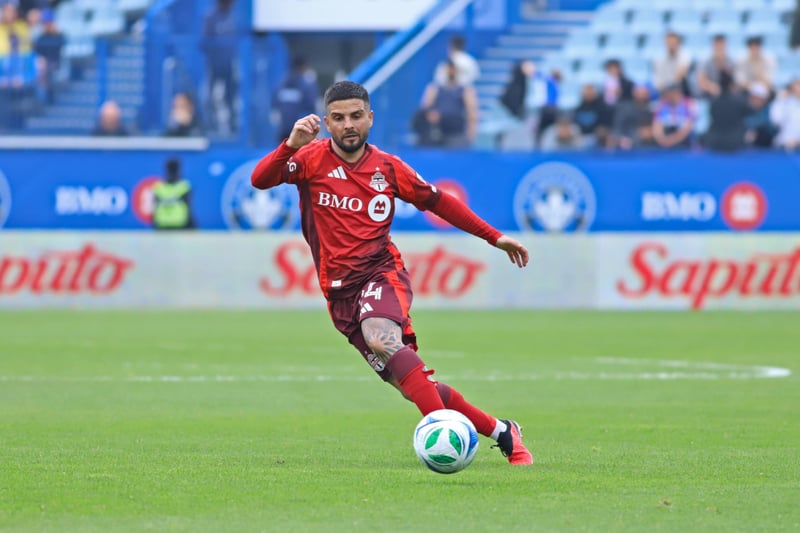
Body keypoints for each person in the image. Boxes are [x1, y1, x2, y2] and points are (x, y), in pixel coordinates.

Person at [250, 80, 533, 466]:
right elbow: (260, 179)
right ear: (327, 124)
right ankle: (503, 431)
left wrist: (494, 237)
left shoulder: (388, 167)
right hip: (339, 295)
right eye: (338, 118)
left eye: (356, 116)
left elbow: (440, 202)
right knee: (409, 385)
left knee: (381, 337)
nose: (348, 125)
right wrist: (290, 144)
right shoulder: (310, 159)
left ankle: (443, 434)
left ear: (370, 118)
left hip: (381, 274)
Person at [412, 59, 478, 147]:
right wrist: (431, 114)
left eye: (453, 69)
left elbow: (471, 111)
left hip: (456, 133)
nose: (451, 71)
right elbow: (425, 107)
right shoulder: (435, 89)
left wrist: (471, 131)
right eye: (449, 68)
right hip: (438, 133)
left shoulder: (465, 90)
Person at [201, 0, 239, 135]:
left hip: (229, 65)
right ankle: (210, 126)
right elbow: (204, 42)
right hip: (214, 65)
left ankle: (233, 126)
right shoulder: (211, 17)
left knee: (231, 97)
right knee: (210, 97)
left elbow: (237, 41)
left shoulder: (233, 17)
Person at [272, 56, 320, 143]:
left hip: (284, 129)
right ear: (303, 67)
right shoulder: (307, 84)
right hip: (300, 130)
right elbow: (311, 105)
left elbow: (275, 104)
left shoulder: (281, 83)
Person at [701, 70, 749, 152]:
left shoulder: (714, 102)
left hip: (715, 141)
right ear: (731, 85)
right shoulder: (739, 101)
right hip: (734, 141)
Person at [152, 157, 195, 230]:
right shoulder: (184, 186)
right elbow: (189, 209)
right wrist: (193, 226)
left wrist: (155, 225)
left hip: (162, 225)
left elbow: (154, 209)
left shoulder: (159, 187)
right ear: (179, 169)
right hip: (180, 224)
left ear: (166, 169)